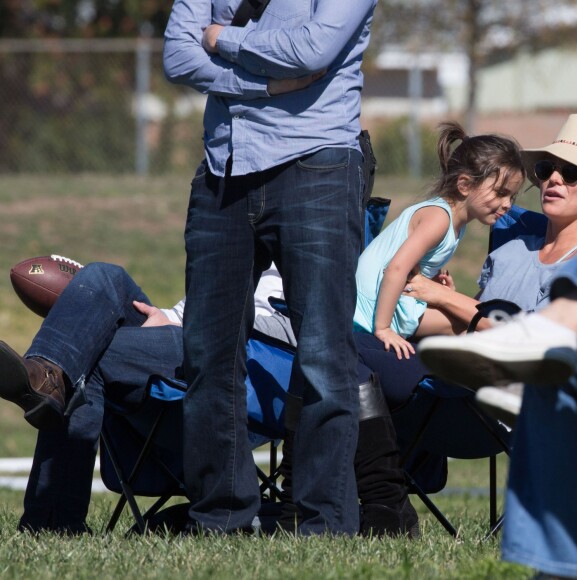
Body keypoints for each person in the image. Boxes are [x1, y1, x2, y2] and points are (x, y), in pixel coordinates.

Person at [163, 0, 377, 535]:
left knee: (325, 356)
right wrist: (265, 85)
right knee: (207, 353)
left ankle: (324, 523)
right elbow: (176, 57)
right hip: (223, 167)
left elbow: (313, 49)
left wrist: (223, 39)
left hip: (318, 162)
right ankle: (220, 518)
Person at [0, 261, 281, 534]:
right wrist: (169, 318)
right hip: (191, 336)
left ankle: (51, 522)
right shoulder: (241, 228)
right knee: (104, 276)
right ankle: (43, 372)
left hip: (248, 354)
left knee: (84, 352)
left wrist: (197, 328)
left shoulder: (308, 233)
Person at [417, 116, 577, 579]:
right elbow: (468, 317)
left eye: (571, 173)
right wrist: (423, 300)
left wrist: (445, 299)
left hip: (527, 394)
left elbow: (470, 313)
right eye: (547, 167)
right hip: (457, 388)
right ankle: (375, 503)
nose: (552, 179)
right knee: (364, 353)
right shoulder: (511, 247)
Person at [354, 121, 524, 361]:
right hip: (371, 309)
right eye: (500, 193)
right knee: (467, 327)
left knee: (467, 323)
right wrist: (383, 328)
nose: (507, 204)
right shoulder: (439, 218)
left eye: (512, 196)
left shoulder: (455, 222)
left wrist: (433, 281)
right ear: (464, 185)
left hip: (384, 301)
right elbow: (395, 268)